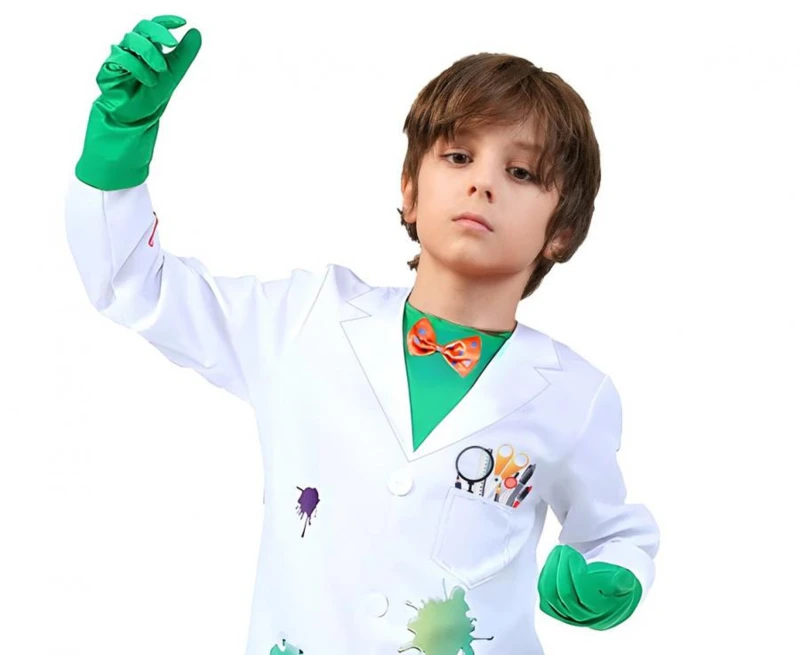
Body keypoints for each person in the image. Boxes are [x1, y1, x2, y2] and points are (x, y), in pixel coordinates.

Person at [64, 14, 660, 655]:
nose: (482, 182)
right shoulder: (303, 321)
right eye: (458, 156)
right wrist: (117, 143)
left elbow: (610, 533)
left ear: (562, 230)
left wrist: (612, 577)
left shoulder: (575, 395)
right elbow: (134, 283)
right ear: (410, 191)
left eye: (520, 173)